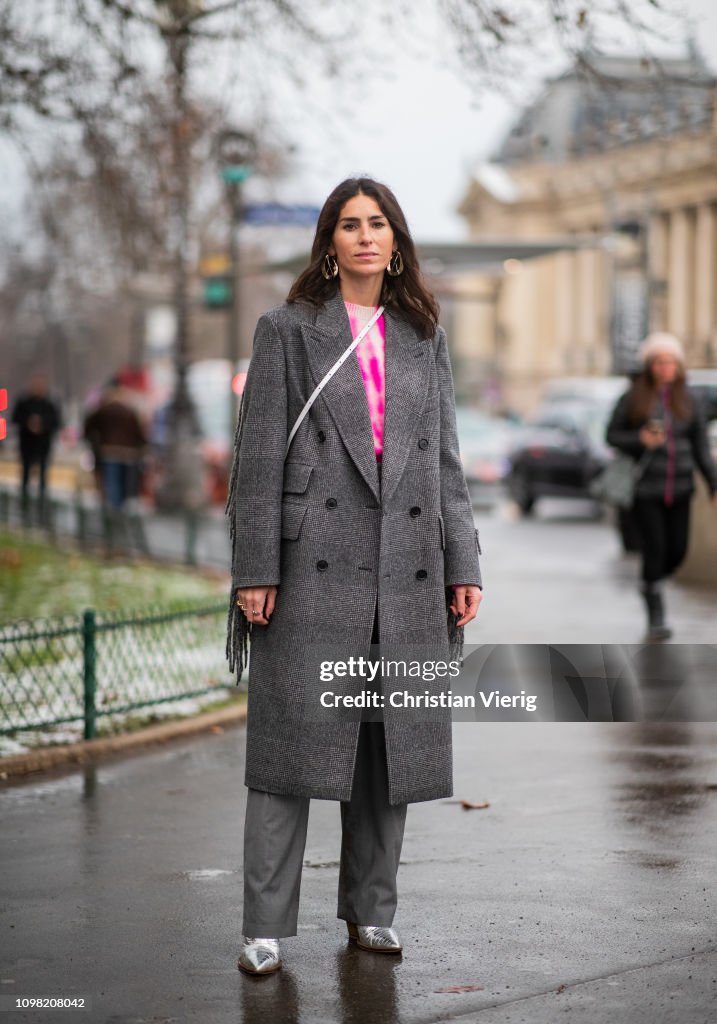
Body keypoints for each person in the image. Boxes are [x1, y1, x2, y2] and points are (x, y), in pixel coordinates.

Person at [225, 177, 483, 975]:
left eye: (377, 224)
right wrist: (255, 569)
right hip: (310, 568)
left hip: (405, 569)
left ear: (395, 241)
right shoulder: (287, 330)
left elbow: (442, 459)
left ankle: (372, 913)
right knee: (288, 752)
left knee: (385, 750)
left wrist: (461, 561)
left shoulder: (421, 334)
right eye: (348, 224)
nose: (364, 236)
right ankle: (264, 926)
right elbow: (259, 458)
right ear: (329, 244)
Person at [605, 332, 717, 640]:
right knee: (655, 549)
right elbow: (611, 436)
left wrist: (712, 483)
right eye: (660, 361)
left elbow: (701, 448)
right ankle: (655, 613)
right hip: (646, 489)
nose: (666, 367)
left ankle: (651, 582)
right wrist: (639, 439)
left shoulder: (690, 400)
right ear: (650, 365)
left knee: (678, 550)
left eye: (672, 361)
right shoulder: (632, 398)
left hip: (681, 488)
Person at [82, 378, 148, 509]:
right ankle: (120, 510)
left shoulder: (104, 409)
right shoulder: (129, 411)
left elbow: (88, 426)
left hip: (110, 451)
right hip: (128, 453)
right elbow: (139, 433)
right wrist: (143, 447)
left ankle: (115, 512)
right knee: (124, 484)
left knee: (113, 483)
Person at [11, 372, 62, 519]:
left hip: (43, 444)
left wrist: (42, 424)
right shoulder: (24, 402)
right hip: (27, 443)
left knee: (43, 474)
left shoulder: (49, 404)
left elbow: (56, 422)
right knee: (25, 472)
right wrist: (29, 423)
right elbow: (16, 418)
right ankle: (24, 500)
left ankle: (41, 500)